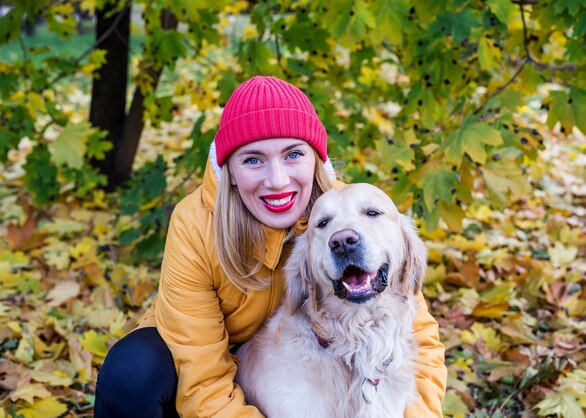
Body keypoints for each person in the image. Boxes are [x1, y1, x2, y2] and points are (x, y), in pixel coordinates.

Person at [94, 76, 447, 417]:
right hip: (197, 367)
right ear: (229, 170)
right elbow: (201, 377)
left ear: (316, 160)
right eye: (253, 159)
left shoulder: (346, 214)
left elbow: (417, 335)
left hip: (299, 367)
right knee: (133, 370)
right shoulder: (194, 224)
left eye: (293, 154)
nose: (277, 181)